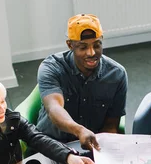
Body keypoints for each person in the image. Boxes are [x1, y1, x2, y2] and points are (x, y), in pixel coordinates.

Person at [35, 14, 128, 150]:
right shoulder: (51, 67)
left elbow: (111, 124)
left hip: (90, 146)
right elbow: (54, 108)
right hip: (51, 143)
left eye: (97, 45)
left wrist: (102, 152)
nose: (91, 53)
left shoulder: (117, 75)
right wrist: (79, 131)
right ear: (70, 45)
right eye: (83, 47)